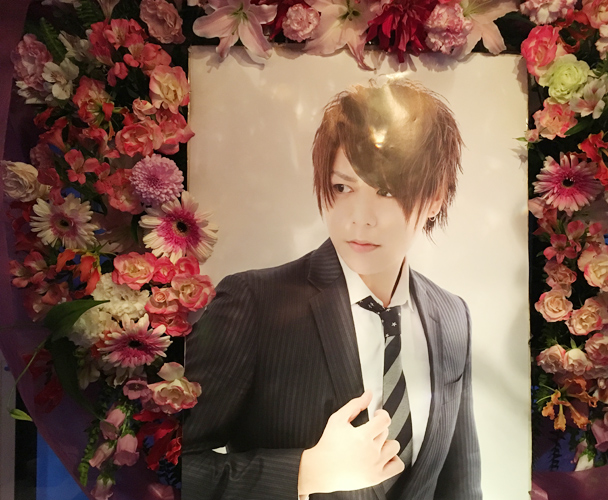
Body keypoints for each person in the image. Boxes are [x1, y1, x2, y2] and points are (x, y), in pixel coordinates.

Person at [182, 79, 481, 500]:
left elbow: (460, 483)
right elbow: (164, 464)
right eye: (343, 187)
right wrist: (304, 473)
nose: (359, 218)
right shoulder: (255, 303)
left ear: (434, 198)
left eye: (387, 191)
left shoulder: (452, 317)